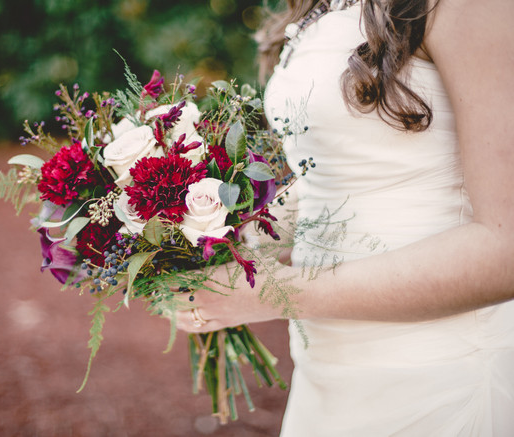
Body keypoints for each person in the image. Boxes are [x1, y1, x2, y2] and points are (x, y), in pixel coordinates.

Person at [174, 0, 514, 435]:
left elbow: (504, 248)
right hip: (328, 370)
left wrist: (272, 295)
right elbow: (332, 180)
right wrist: (217, 241)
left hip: (439, 372)